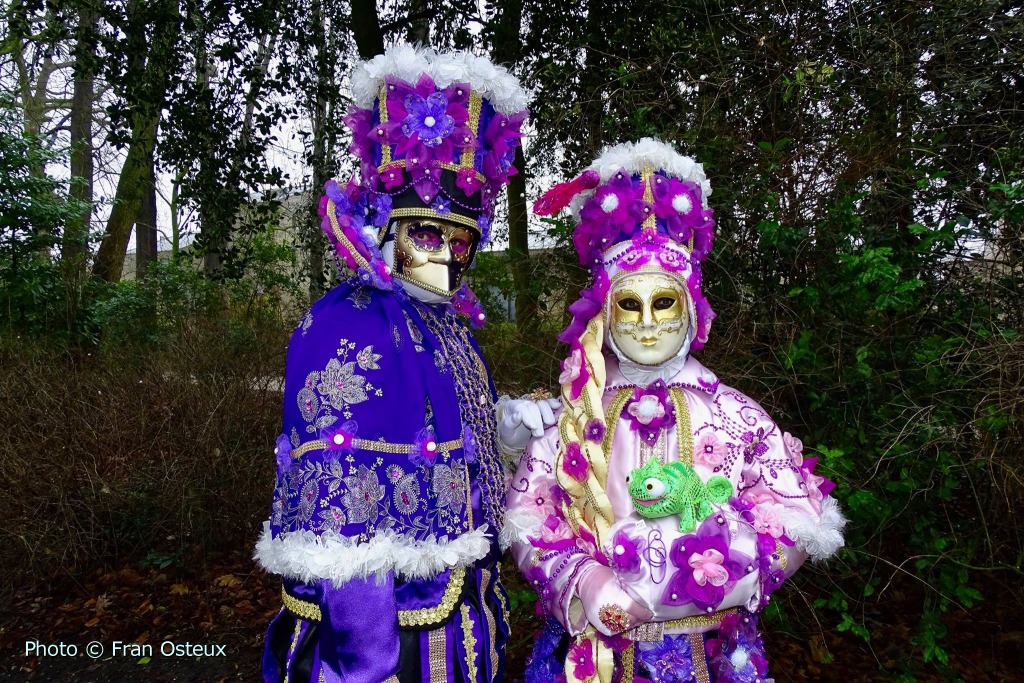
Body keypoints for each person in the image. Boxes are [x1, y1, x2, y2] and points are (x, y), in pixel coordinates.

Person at [501, 139, 847, 683]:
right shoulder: (574, 416)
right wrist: (586, 583)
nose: (646, 323)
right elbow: (528, 516)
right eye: (628, 304)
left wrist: (724, 574)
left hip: (710, 656)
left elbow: (797, 516)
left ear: (689, 307)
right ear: (604, 313)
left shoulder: (735, 415)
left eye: (663, 302)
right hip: (596, 658)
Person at [254, 44, 529, 683]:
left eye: (461, 240)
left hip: (465, 608)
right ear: (386, 229)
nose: (447, 257)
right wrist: (362, 664)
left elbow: (450, 435)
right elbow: (342, 528)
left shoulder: (445, 322)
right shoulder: (349, 321)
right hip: (390, 631)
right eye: (426, 236)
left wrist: (504, 430)